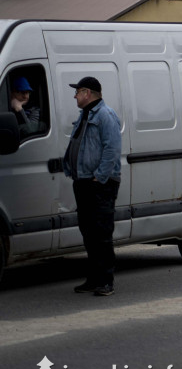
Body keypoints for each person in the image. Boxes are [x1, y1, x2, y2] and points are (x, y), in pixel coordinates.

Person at [62, 76, 122, 297]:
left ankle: (106, 281)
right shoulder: (85, 115)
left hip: (100, 184)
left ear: (87, 93)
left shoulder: (106, 115)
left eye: (77, 92)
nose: (75, 96)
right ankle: (94, 278)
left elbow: (112, 148)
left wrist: (100, 177)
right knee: (88, 232)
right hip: (84, 182)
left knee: (102, 232)